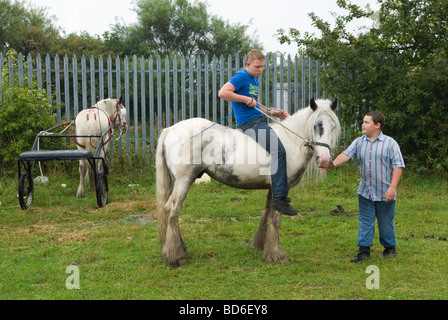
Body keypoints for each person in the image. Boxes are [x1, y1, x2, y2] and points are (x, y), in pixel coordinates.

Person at [218, 49, 297, 216]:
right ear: (248, 64)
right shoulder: (242, 76)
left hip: (259, 120)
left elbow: (258, 106)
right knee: (279, 151)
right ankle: (279, 199)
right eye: (257, 66)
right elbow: (223, 92)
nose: (260, 70)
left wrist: (275, 113)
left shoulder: (254, 80)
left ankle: (277, 194)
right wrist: (245, 99)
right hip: (249, 124)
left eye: (262, 67)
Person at [323, 111, 405, 262]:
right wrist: (333, 164)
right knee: (365, 221)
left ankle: (389, 248)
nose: (363, 124)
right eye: (363, 121)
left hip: (385, 192)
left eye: (367, 122)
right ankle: (364, 251)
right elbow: (346, 155)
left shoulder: (390, 143)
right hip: (365, 191)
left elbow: (398, 166)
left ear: (377, 125)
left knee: (385, 221)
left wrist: (392, 187)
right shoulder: (359, 142)